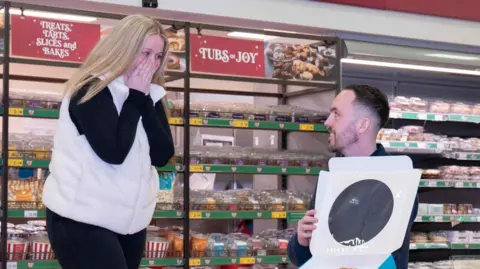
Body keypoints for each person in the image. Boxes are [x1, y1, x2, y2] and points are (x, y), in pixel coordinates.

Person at [42, 14, 175, 269]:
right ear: (124, 48)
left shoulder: (149, 94)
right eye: (145, 53)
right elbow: (113, 152)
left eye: (158, 57)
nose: (151, 64)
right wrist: (135, 97)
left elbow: (161, 155)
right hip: (80, 218)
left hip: (131, 222)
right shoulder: (90, 89)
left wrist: (144, 100)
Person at [287, 84, 419, 268]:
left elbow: (381, 256)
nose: (327, 122)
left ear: (362, 125)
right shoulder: (332, 177)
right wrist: (301, 241)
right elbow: (305, 259)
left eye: (336, 114)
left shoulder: (396, 181)